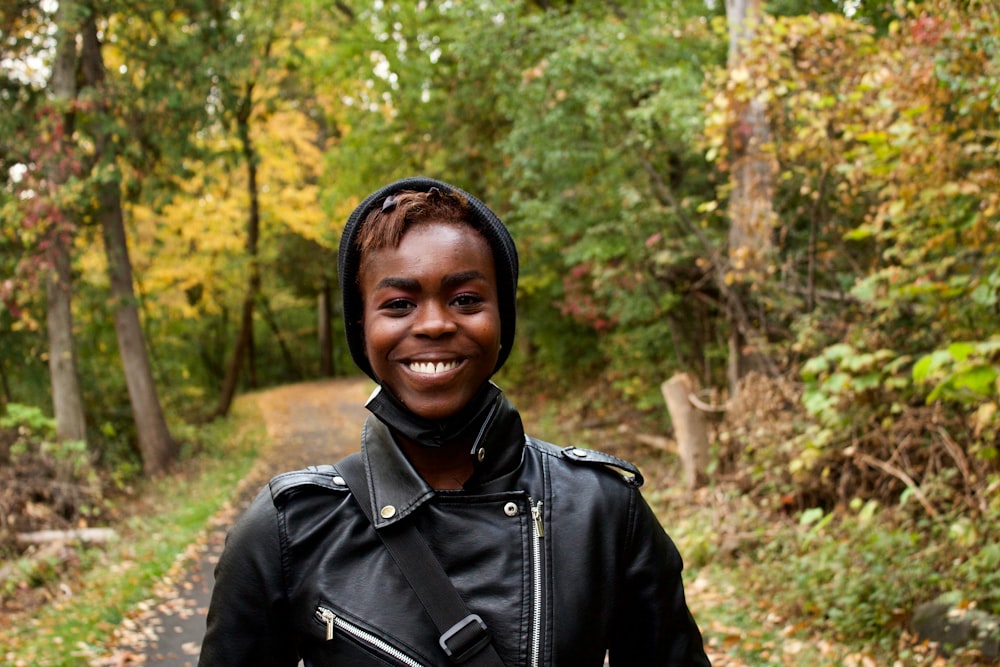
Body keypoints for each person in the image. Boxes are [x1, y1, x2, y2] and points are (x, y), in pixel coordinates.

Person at [198, 176, 711, 666]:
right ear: (361, 326)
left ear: (503, 317)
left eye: (466, 299)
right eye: (398, 304)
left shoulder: (603, 511)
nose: (436, 323)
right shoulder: (288, 530)